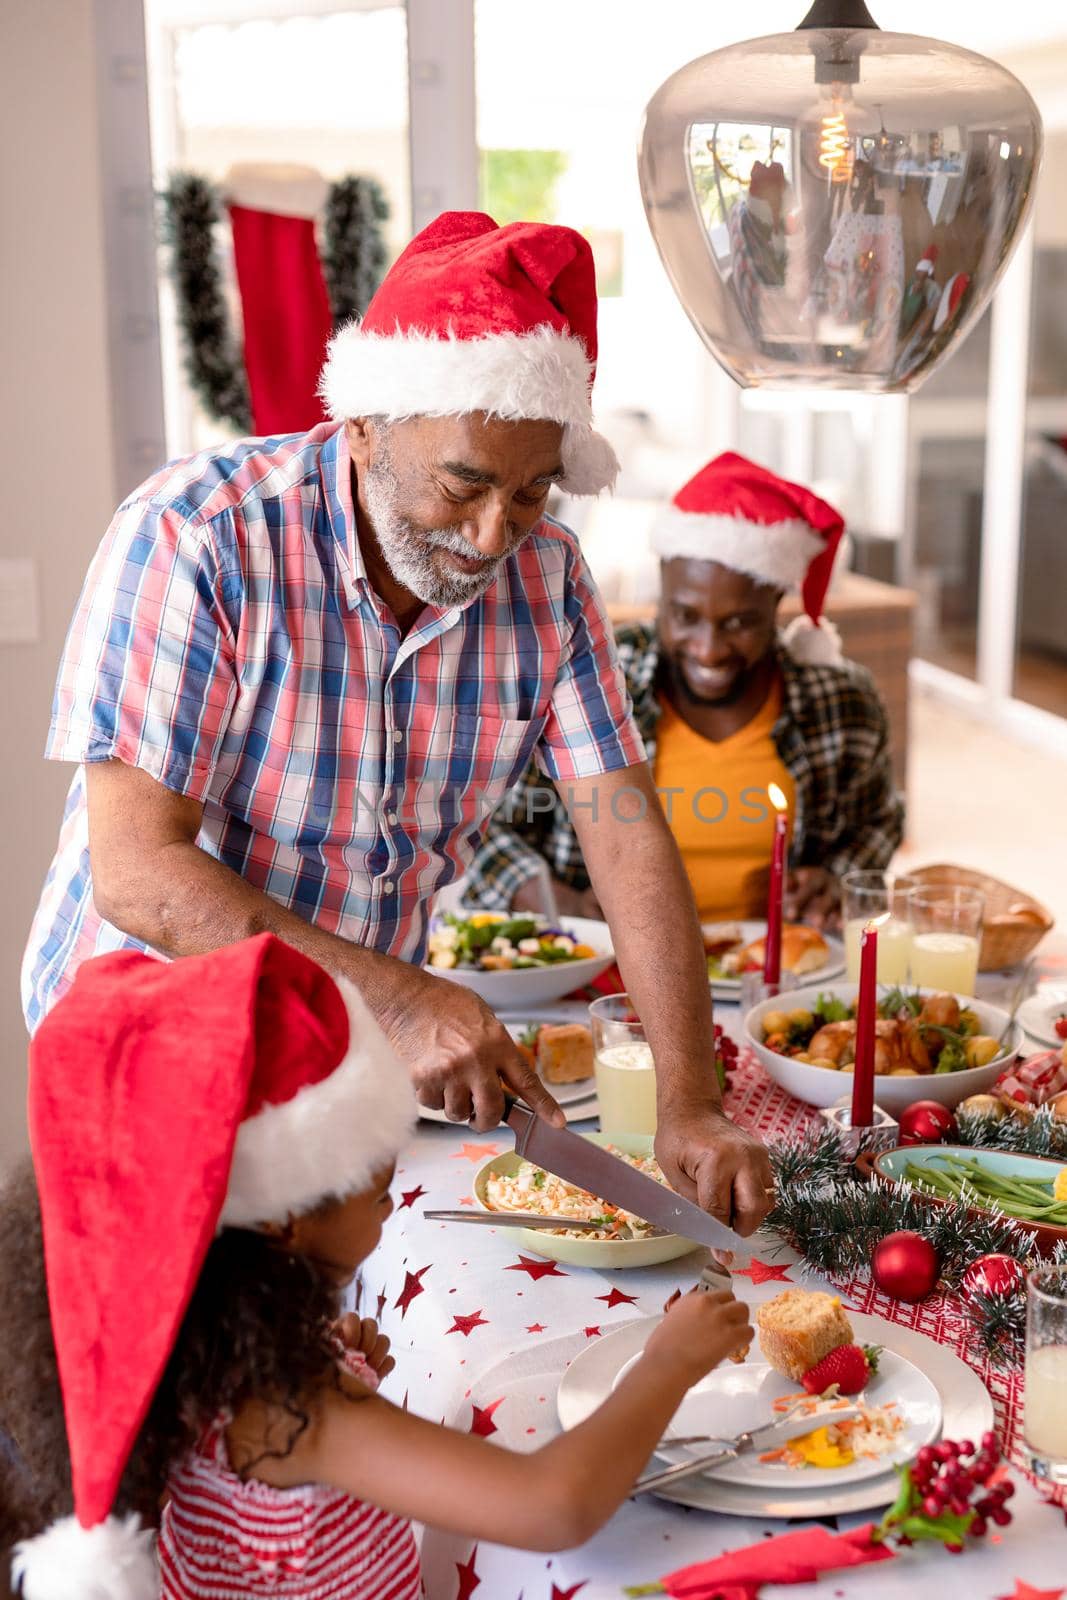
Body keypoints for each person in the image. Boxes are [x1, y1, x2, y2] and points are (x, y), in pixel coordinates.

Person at [21, 209, 772, 1230]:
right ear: (365, 422)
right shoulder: (196, 535)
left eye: (531, 491)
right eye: (462, 483)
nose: (490, 533)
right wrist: (403, 999)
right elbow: (138, 873)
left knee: (341, 1349)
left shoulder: (546, 580)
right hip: (154, 1038)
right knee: (186, 1375)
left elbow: (624, 830)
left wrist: (689, 1098)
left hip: (348, 1046)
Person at [3, 934, 753, 1599]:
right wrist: (666, 1361)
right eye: (377, 1190)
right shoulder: (295, 1412)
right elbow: (552, 1504)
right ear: (284, 1217)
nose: (390, 1210)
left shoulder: (210, 1351)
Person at [466, 453, 904, 931]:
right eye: (686, 616)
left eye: (739, 622)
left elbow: (877, 822)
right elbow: (479, 823)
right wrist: (559, 902)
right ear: (661, 597)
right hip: (604, 968)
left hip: (777, 970)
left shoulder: (842, 703)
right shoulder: (587, 674)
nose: (710, 650)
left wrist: (836, 878)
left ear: (776, 604)